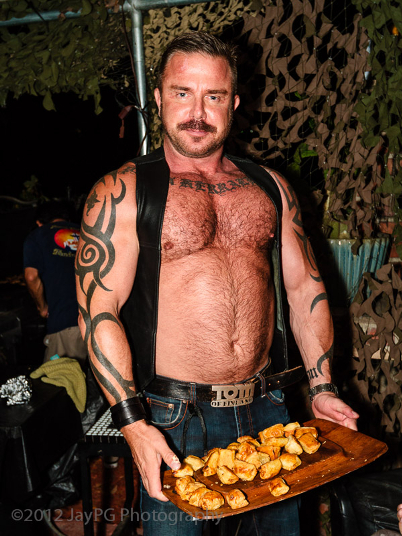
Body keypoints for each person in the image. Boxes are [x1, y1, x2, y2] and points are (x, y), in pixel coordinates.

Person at [75, 31, 359, 536]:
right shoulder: (123, 191)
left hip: (269, 409)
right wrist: (133, 423)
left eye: (214, 96)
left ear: (234, 103)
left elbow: (304, 289)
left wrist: (321, 388)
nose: (197, 112)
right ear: (158, 98)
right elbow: (99, 312)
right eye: (182, 93)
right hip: (172, 419)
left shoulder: (270, 186)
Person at [24, 199, 87, 364]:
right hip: (98, 321)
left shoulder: (38, 235)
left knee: (58, 376)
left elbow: (31, 276)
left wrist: (42, 307)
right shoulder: (85, 232)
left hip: (66, 324)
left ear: (39, 222)